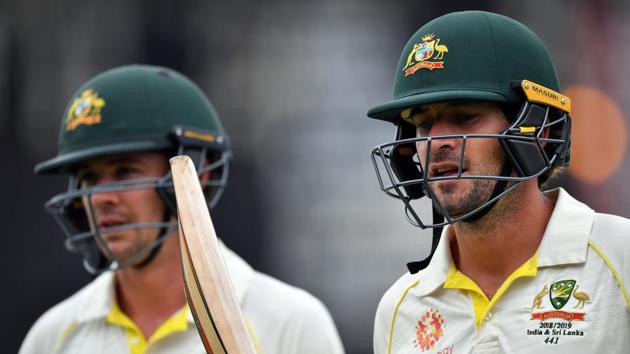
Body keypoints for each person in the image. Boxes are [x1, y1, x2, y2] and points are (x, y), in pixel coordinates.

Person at [20, 64, 345, 354]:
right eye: (90, 178)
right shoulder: (53, 338)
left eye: (125, 172)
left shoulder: (290, 322)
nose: (101, 197)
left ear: (198, 174)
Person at [367, 11, 630, 353]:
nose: (437, 141)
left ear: (539, 131)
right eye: (422, 124)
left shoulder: (621, 260)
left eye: (464, 117)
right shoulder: (399, 310)